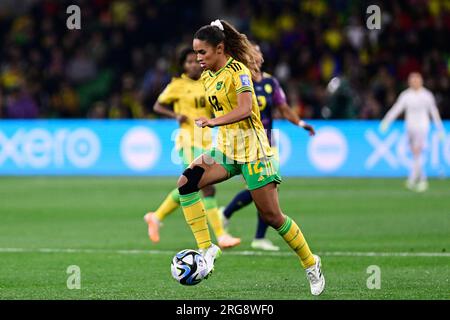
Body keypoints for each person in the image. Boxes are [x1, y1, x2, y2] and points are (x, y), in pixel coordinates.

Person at [176, 19, 325, 295]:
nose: (198, 59)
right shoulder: (207, 76)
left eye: (203, 53)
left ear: (220, 49)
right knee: (186, 182)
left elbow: (245, 109)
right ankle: (207, 249)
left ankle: (310, 263)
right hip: (226, 150)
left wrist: (213, 122)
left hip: (255, 151)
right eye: (195, 53)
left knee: (272, 216)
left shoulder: (239, 71)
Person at [221, 43, 316, 251]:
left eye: (259, 52)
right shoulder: (238, 79)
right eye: (253, 52)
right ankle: (226, 215)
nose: (257, 56)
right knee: (258, 189)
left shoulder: (271, 82)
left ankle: (256, 235)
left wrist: (300, 123)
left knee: (269, 188)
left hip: (266, 143)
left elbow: (283, 108)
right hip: (244, 143)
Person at [144, 48, 241, 249]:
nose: (193, 65)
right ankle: (221, 236)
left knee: (190, 185)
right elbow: (157, 106)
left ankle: (156, 216)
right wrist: (175, 116)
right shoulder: (177, 85)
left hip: (207, 139)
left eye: (195, 61)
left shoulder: (208, 80)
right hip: (188, 140)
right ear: (183, 65)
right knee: (205, 185)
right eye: (188, 62)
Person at [380, 72, 445, 192]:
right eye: (412, 80)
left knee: (417, 152)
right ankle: (414, 178)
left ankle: (421, 180)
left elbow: (434, 112)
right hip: (410, 127)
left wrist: (439, 129)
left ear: (421, 81)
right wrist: (386, 121)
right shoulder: (406, 95)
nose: (414, 82)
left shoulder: (426, 95)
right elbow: (397, 108)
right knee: (415, 154)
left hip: (422, 127)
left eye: (416, 80)